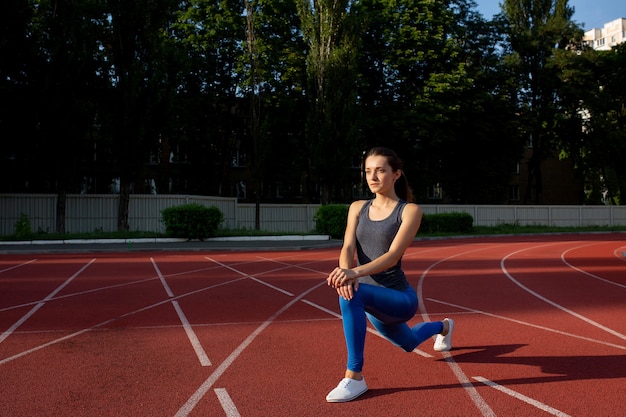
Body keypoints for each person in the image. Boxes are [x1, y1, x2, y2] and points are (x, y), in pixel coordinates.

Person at [325, 146, 454, 403]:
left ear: (396, 174)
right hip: (371, 298)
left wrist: (353, 273)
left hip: (399, 298)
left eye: (380, 171)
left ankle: (355, 376)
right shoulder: (357, 207)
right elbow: (348, 246)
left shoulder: (409, 211)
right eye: (368, 171)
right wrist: (344, 272)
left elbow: (392, 256)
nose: (373, 177)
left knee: (350, 295)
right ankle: (444, 326)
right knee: (408, 343)